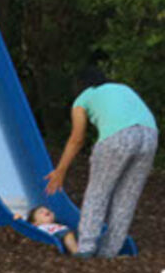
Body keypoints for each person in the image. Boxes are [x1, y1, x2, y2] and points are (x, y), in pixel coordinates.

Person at [44, 66, 158, 259]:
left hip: (118, 138)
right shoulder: (123, 88)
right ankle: (109, 251)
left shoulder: (83, 98)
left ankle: (86, 248)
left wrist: (60, 170)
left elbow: (77, 138)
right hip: (150, 135)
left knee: (98, 192)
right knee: (127, 196)